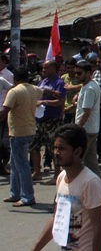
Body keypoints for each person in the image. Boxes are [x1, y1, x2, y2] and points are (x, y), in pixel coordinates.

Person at [32, 124, 101, 251]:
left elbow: (98, 229)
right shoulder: (61, 177)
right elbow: (56, 218)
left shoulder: (90, 182)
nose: (56, 153)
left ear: (77, 151)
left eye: (62, 149)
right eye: (55, 148)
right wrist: (36, 247)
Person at [0, 68, 43, 206]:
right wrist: (54, 92)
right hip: (29, 129)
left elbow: (4, 111)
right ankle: (15, 193)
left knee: (21, 164)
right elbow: (44, 90)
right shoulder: (34, 89)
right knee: (15, 163)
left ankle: (27, 197)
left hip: (18, 132)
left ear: (14, 79)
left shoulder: (14, 92)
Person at [30, 59, 66, 183]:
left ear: (54, 69)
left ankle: (57, 175)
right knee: (34, 146)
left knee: (54, 148)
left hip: (53, 120)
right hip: (39, 120)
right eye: (43, 68)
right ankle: (37, 172)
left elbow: (60, 102)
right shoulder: (42, 82)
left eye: (46, 68)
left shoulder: (59, 82)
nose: (43, 70)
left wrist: (45, 101)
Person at [74, 60, 101, 178]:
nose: (76, 76)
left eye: (79, 73)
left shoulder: (90, 88)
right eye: (76, 73)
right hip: (90, 129)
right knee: (91, 163)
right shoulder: (88, 85)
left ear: (88, 73)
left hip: (86, 130)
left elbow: (87, 112)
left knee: (76, 160)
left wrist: (77, 129)